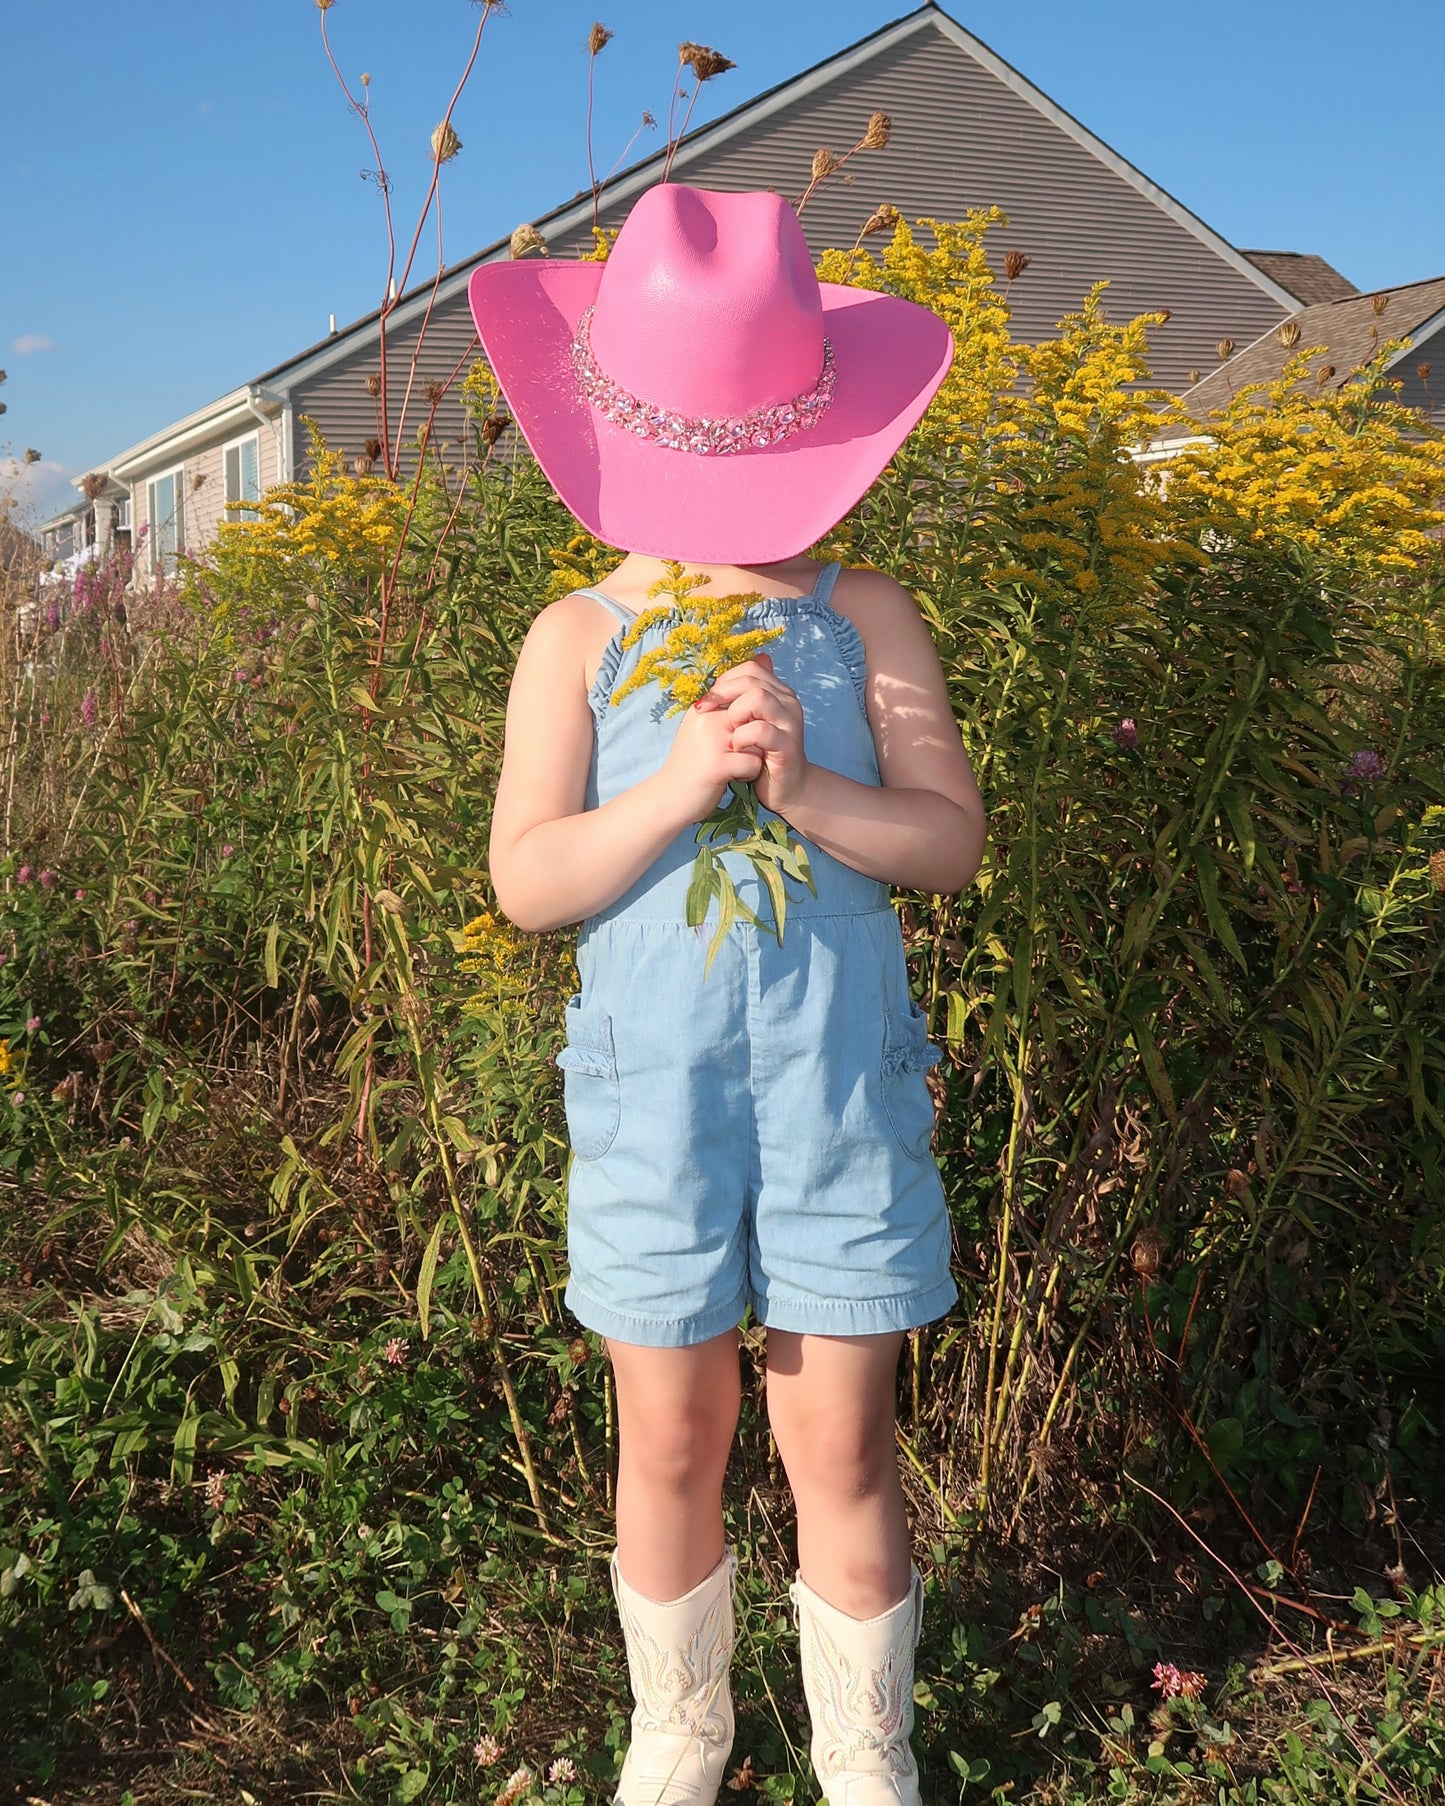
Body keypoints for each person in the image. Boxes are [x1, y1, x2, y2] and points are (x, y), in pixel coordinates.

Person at [469, 181, 987, 1806]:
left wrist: (811, 792)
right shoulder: (576, 632)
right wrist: (681, 780)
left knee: (841, 1446)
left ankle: (865, 1756)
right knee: (671, 1439)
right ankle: (677, 1734)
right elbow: (526, 879)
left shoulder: (863, 613)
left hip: (841, 1096)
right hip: (651, 1102)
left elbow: (949, 840)